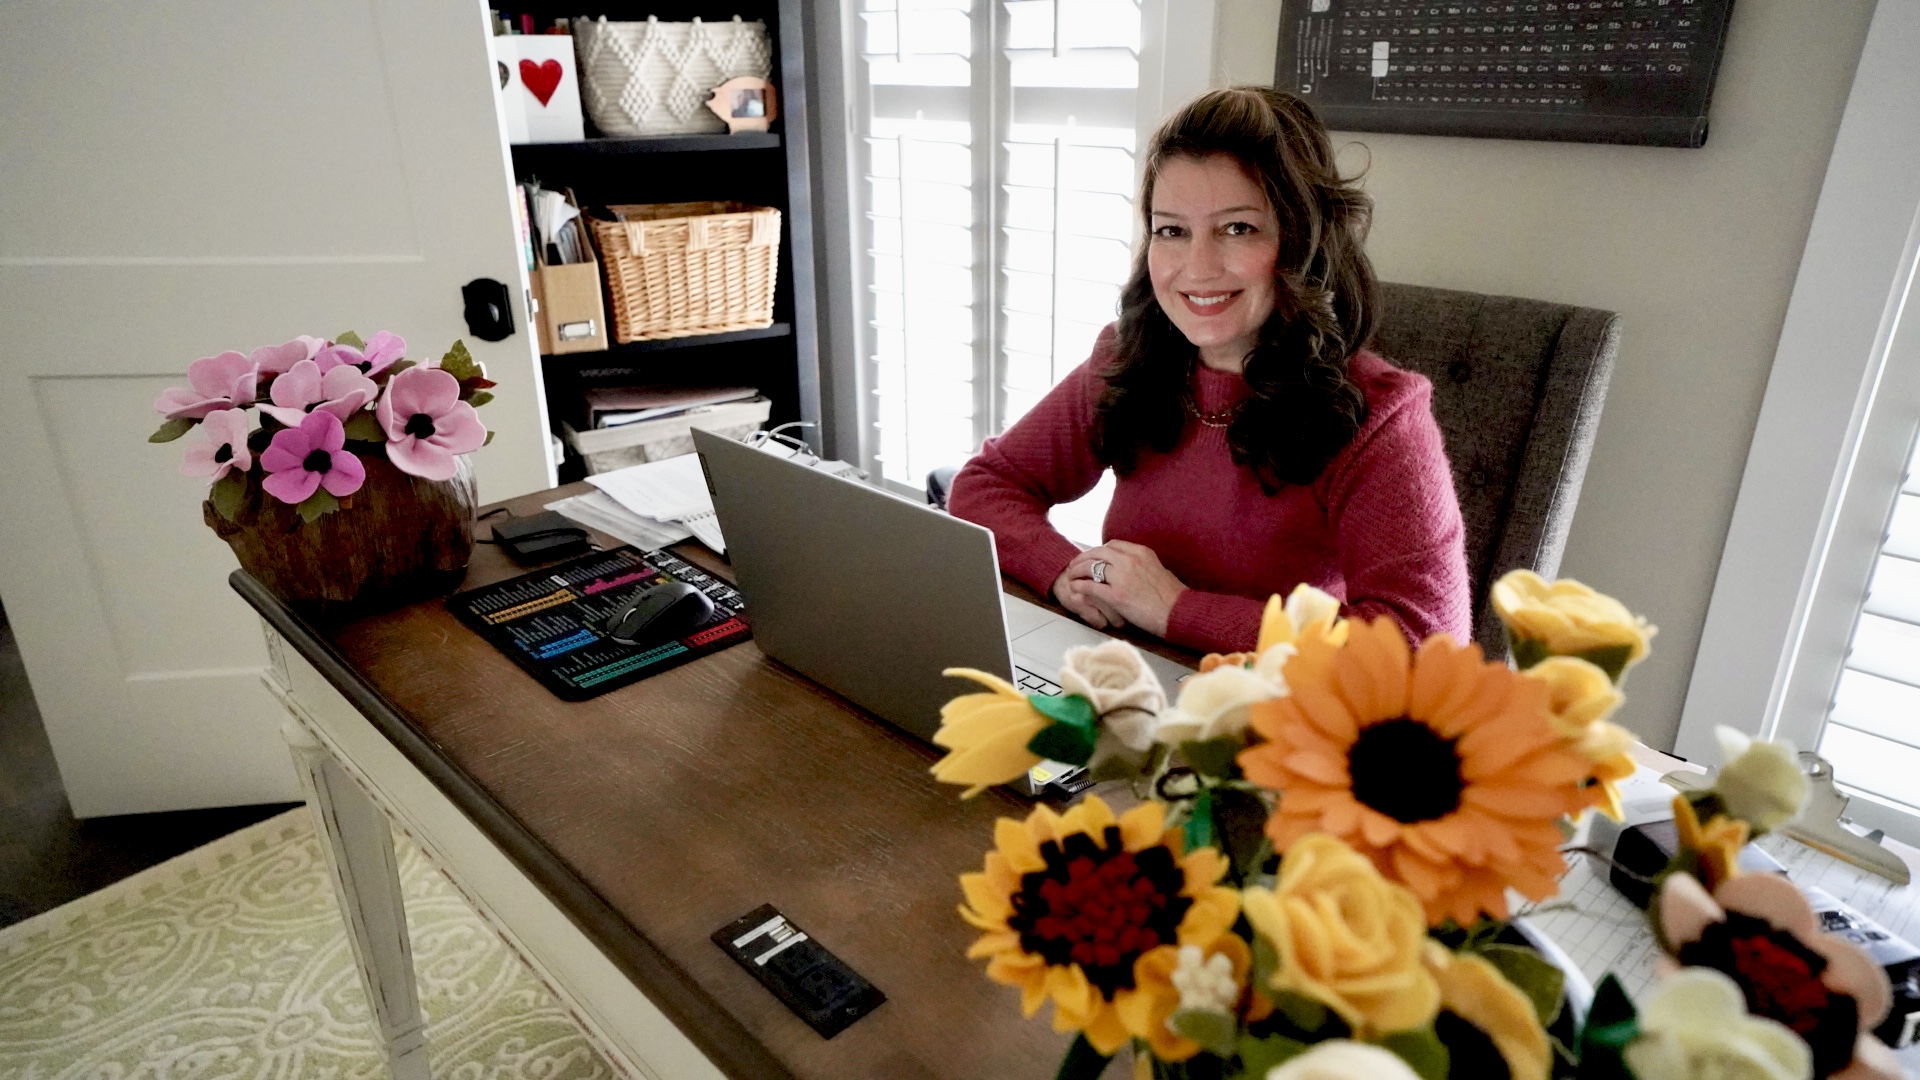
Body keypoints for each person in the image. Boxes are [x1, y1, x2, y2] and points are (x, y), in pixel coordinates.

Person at [947, 87, 1471, 656]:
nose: (1196, 268)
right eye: (1171, 230)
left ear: (1301, 240)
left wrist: (1176, 610)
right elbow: (985, 485)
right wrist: (1065, 570)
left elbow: (1423, 645)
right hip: (1131, 676)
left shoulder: (1380, 416)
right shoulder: (1124, 358)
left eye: (1237, 228)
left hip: (1276, 715)